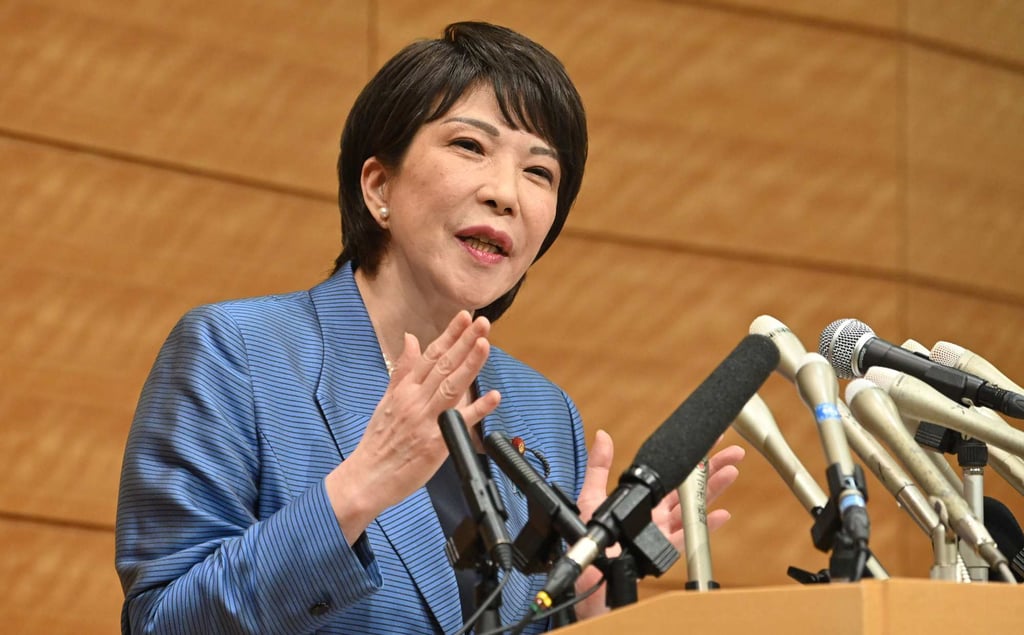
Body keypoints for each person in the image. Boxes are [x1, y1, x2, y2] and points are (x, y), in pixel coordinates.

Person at [115, 21, 744, 634]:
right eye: (470, 146)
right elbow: (162, 623)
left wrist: (587, 613)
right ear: (378, 186)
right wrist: (358, 488)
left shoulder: (545, 415)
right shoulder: (238, 353)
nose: (507, 194)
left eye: (539, 172)